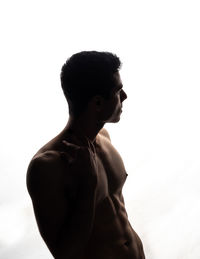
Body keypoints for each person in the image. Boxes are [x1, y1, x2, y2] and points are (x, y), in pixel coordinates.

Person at [26, 51, 145, 259]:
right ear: (97, 103)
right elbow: (65, 255)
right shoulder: (47, 166)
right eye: (118, 91)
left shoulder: (105, 138)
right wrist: (88, 187)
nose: (125, 97)